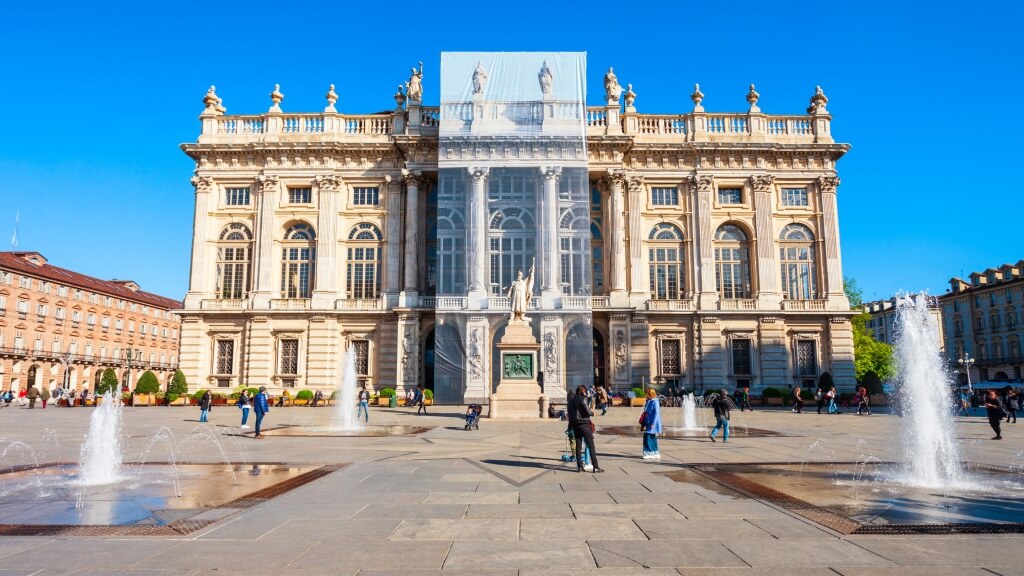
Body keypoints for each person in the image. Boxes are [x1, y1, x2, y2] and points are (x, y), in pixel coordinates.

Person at [568, 384, 603, 472]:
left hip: (575, 425)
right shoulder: (582, 398)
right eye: (585, 391)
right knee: (591, 445)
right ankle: (595, 466)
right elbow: (587, 411)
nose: (586, 393)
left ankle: (579, 466)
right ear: (583, 391)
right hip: (584, 424)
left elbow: (570, 415)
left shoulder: (570, 401)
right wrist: (592, 413)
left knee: (578, 445)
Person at [641, 388, 662, 459]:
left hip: (652, 422)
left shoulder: (655, 402)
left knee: (647, 437)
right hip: (648, 421)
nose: (646, 395)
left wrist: (653, 423)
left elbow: (657, 414)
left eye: (647, 394)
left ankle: (648, 453)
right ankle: (655, 452)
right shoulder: (649, 401)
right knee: (652, 437)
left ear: (651, 394)